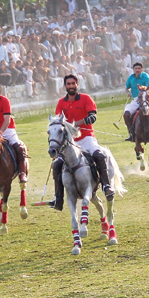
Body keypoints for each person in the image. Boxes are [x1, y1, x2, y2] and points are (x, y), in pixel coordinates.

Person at [48, 73, 114, 210]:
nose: (71, 86)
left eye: (73, 84)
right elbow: (58, 121)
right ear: (65, 86)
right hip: (70, 142)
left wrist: (77, 123)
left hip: (87, 137)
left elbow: (92, 117)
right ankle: (58, 198)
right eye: (68, 84)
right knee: (57, 165)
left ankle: (106, 185)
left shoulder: (85, 98)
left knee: (99, 155)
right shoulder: (61, 103)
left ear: (77, 85)